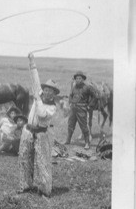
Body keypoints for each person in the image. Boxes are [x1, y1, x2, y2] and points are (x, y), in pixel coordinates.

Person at [18, 53, 60, 198]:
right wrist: (32, 61)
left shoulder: (52, 107)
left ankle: (44, 189)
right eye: (47, 89)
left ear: (54, 94)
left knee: (42, 162)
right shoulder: (39, 93)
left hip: (42, 135)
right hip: (28, 132)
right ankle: (25, 185)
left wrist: (37, 99)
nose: (48, 92)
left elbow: (42, 114)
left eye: (51, 91)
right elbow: (35, 78)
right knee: (24, 158)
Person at [64, 71, 97, 150]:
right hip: (73, 109)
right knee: (70, 124)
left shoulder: (87, 87)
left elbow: (95, 96)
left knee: (84, 126)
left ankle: (87, 143)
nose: (78, 80)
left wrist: (90, 105)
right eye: (77, 78)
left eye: (80, 78)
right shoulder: (74, 87)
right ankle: (68, 140)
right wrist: (70, 102)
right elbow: (70, 95)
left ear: (83, 79)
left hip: (82, 109)